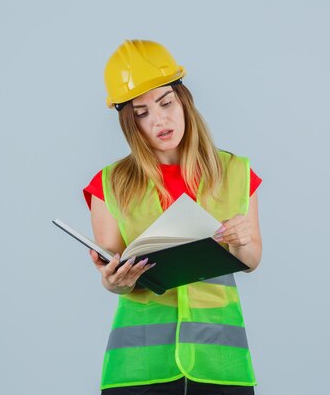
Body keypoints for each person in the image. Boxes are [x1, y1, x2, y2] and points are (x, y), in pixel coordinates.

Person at [83, 40, 263, 395]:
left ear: (184, 100)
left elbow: (252, 260)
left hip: (220, 365)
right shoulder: (108, 184)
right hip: (140, 371)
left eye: (165, 103)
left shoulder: (236, 172)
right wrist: (113, 283)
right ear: (129, 123)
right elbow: (112, 271)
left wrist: (241, 240)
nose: (159, 119)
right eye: (141, 113)